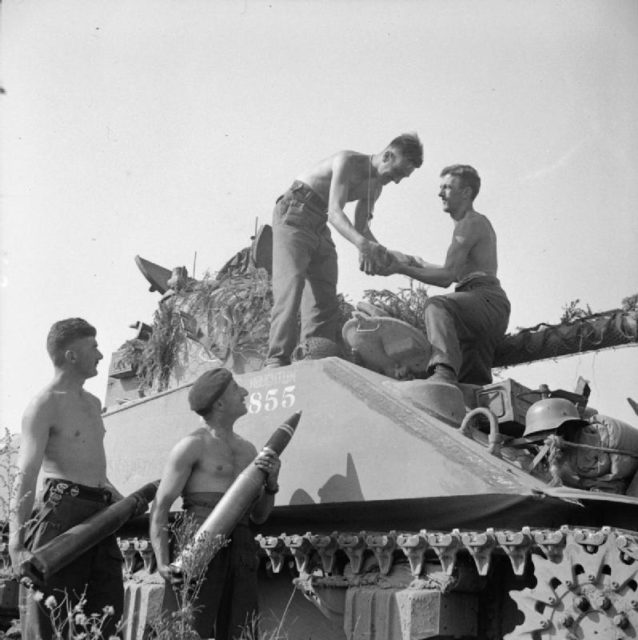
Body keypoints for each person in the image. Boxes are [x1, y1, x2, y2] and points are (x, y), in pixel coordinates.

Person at [9, 318, 125, 640]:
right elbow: (26, 474)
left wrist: (122, 500)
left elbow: (95, 472)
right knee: (51, 623)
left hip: (99, 518)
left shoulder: (92, 403)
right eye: (94, 347)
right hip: (61, 518)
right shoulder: (44, 404)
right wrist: (16, 545)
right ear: (72, 355)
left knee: (104, 620)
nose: (101, 355)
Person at [266, 133, 423, 367]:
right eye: (398, 172)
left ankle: (311, 356)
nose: (398, 180)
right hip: (295, 210)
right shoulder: (347, 161)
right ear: (388, 155)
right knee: (293, 283)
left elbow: (363, 229)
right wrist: (363, 245)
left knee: (325, 291)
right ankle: (276, 358)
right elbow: (336, 212)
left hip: (319, 224)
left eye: (403, 177)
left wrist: (387, 255)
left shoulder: (376, 187)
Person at [149, 367, 281, 640]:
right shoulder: (192, 446)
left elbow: (259, 516)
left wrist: (271, 483)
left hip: (241, 544)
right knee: (186, 628)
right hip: (198, 538)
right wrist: (163, 563)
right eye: (236, 389)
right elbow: (160, 508)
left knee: (241, 629)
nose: (244, 392)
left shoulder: (249, 450)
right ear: (219, 403)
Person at [380, 164, 511, 385]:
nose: (440, 193)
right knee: (471, 386)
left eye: (448, 187)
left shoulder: (471, 223)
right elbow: (447, 270)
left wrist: (400, 269)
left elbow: (445, 277)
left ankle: (442, 371)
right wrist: (409, 260)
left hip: (485, 299)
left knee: (437, 306)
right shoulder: (467, 225)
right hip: (479, 310)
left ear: (466, 192)